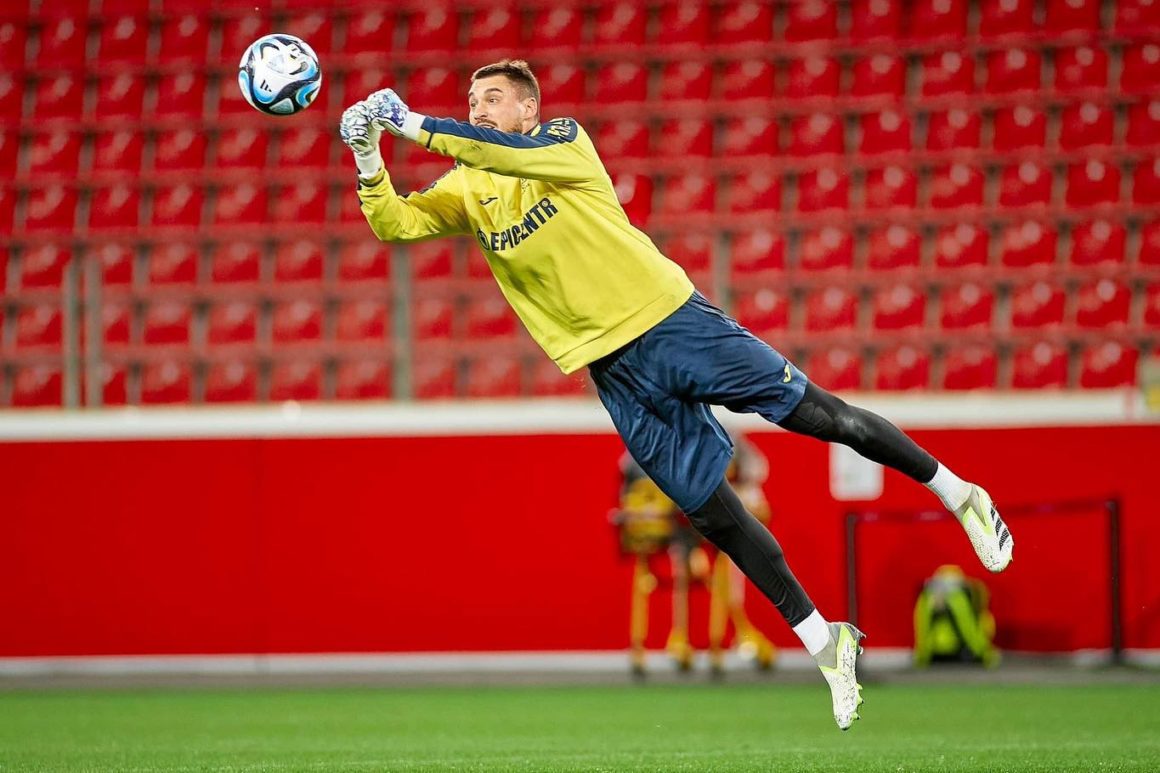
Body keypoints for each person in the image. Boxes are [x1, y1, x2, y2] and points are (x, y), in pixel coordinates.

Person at [339, 59, 1015, 730]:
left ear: (527, 112)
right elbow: (396, 224)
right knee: (709, 513)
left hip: (672, 322)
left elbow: (486, 146)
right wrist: (371, 157)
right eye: (471, 98)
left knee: (816, 414)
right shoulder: (470, 187)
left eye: (492, 98)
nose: (479, 108)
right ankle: (824, 641)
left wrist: (414, 123)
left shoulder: (563, 142)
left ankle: (960, 492)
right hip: (614, 371)